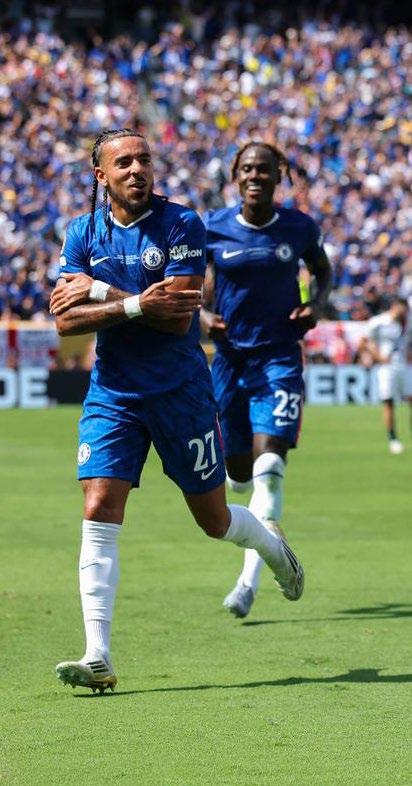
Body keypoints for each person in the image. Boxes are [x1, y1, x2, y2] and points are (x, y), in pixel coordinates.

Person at [50, 128, 305, 694]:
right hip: (113, 393)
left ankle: (269, 542)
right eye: (124, 162)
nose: (137, 169)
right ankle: (98, 654)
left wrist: (100, 293)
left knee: (214, 521)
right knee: (98, 503)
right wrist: (137, 302)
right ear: (101, 175)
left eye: (144, 159)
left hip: (181, 392)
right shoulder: (82, 232)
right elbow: (65, 321)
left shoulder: (182, 223)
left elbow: (176, 316)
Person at [200, 141, 332, 619]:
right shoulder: (211, 227)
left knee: (270, 465)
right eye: (247, 169)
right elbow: (187, 282)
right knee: (238, 476)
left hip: (279, 359)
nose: (255, 176)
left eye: (264, 169)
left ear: (279, 176)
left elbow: (322, 271)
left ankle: (250, 583)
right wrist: (201, 316)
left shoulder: (299, 227)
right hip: (230, 362)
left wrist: (316, 306)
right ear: (235, 176)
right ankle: (253, 512)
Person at [366, 297, 412, 454]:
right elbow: (366, 341)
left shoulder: (408, 322)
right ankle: (393, 438)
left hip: (405, 365)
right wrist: (378, 356)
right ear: (395, 306)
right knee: (388, 401)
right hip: (386, 368)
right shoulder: (378, 322)